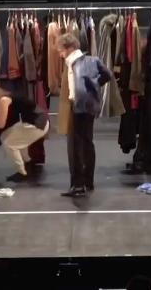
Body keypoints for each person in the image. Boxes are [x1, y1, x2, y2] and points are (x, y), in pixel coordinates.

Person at [57, 33, 113, 198]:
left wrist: (92, 86)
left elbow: (80, 88)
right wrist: (94, 85)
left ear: (69, 48)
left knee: (75, 146)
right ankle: (87, 182)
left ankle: (78, 185)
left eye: (61, 50)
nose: (60, 54)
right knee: (87, 143)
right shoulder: (91, 60)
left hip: (78, 107)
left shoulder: (73, 62)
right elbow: (107, 75)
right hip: (88, 106)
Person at [0, 84, 50, 182]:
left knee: (9, 145)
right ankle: (28, 163)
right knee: (15, 136)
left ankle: (22, 173)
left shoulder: (4, 101)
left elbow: (0, 124)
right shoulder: (6, 97)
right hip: (36, 121)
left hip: (38, 123)